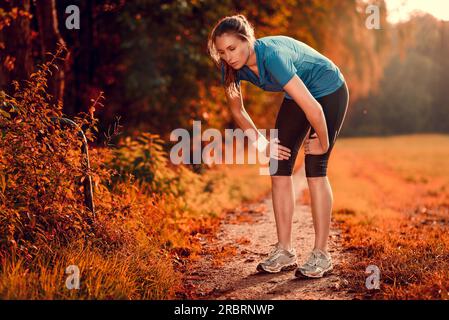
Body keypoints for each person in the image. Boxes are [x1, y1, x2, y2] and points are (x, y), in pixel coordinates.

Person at [207, 14, 349, 279]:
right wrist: (262, 144)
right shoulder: (228, 67)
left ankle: (322, 254)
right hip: (299, 94)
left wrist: (323, 141)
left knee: (315, 168)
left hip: (328, 89)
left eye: (232, 48)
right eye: (222, 52)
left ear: (248, 39)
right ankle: (285, 250)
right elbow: (238, 112)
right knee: (277, 164)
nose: (228, 56)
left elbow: (314, 108)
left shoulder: (272, 56)